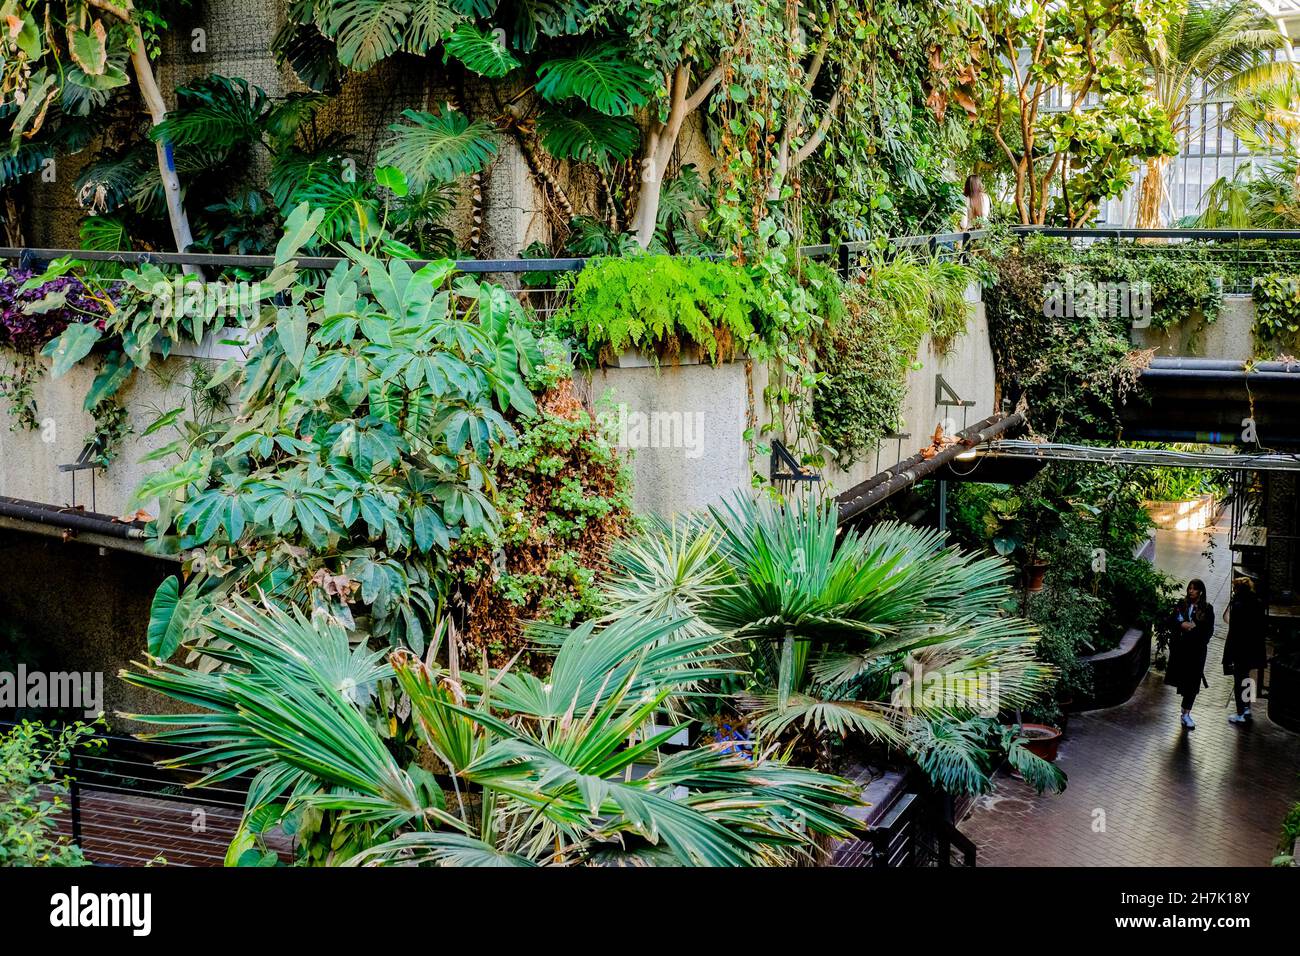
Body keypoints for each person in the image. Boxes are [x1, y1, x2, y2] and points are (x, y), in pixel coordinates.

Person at [1164, 578, 1214, 730]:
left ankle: (1186, 713)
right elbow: (1173, 620)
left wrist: (1195, 630)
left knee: (1193, 682)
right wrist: (1181, 625)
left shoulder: (1206, 608)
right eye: (1189, 588)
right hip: (1182, 649)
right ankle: (1184, 710)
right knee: (1184, 680)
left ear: (1200, 591)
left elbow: (1208, 630)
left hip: (1197, 650)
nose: (1191, 591)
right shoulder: (1182, 604)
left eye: (1194, 588)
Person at [1222, 577, 1267, 725]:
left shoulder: (1238, 604)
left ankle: (1241, 712)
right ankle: (1248, 709)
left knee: (1239, 679)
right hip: (1253, 648)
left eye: (1234, 588)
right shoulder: (1257, 602)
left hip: (1239, 648)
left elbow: (1230, 622)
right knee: (1247, 679)